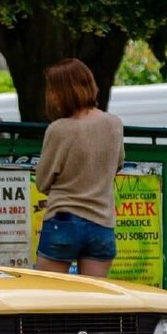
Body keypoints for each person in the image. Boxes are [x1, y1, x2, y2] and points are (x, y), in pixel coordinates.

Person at [34, 58, 124, 277]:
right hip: (102, 222)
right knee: (94, 303)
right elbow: (118, 164)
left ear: (63, 91)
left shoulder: (59, 129)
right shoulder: (114, 124)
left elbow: (43, 181)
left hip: (63, 220)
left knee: (52, 298)